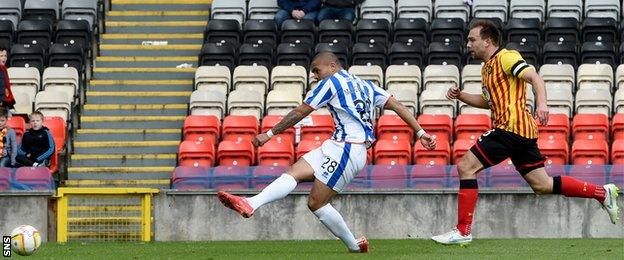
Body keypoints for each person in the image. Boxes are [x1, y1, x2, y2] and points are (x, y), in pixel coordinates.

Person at [218, 52, 437, 253]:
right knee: (294, 171)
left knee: (316, 203)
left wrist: (270, 133)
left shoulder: (331, 82)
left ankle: (354, 246)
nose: (315, 75)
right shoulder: (366, 85)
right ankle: (251, 203)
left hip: (348, 148)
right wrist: (421, 133)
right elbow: (398, 105)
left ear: (332, 66)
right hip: (338, 144)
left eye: (316, 70)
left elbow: (301, 111)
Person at [431, 20, 620, 245]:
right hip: (522, 132)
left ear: (487, 41)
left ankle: (462, 231)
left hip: (510, 128)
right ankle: (602, 192)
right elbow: (489, 102)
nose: (468, 44)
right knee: (543, 185)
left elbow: (534, 78)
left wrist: (542, 104)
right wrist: (461, 95)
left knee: (465, 167)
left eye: (472, 40)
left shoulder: (507, 57)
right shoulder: (487, 68)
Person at [0, 45, 15, 113]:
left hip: (4, 103)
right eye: (1, 56)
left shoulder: (4, 69)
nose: (4, 58)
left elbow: (5, 88)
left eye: (5, 56)